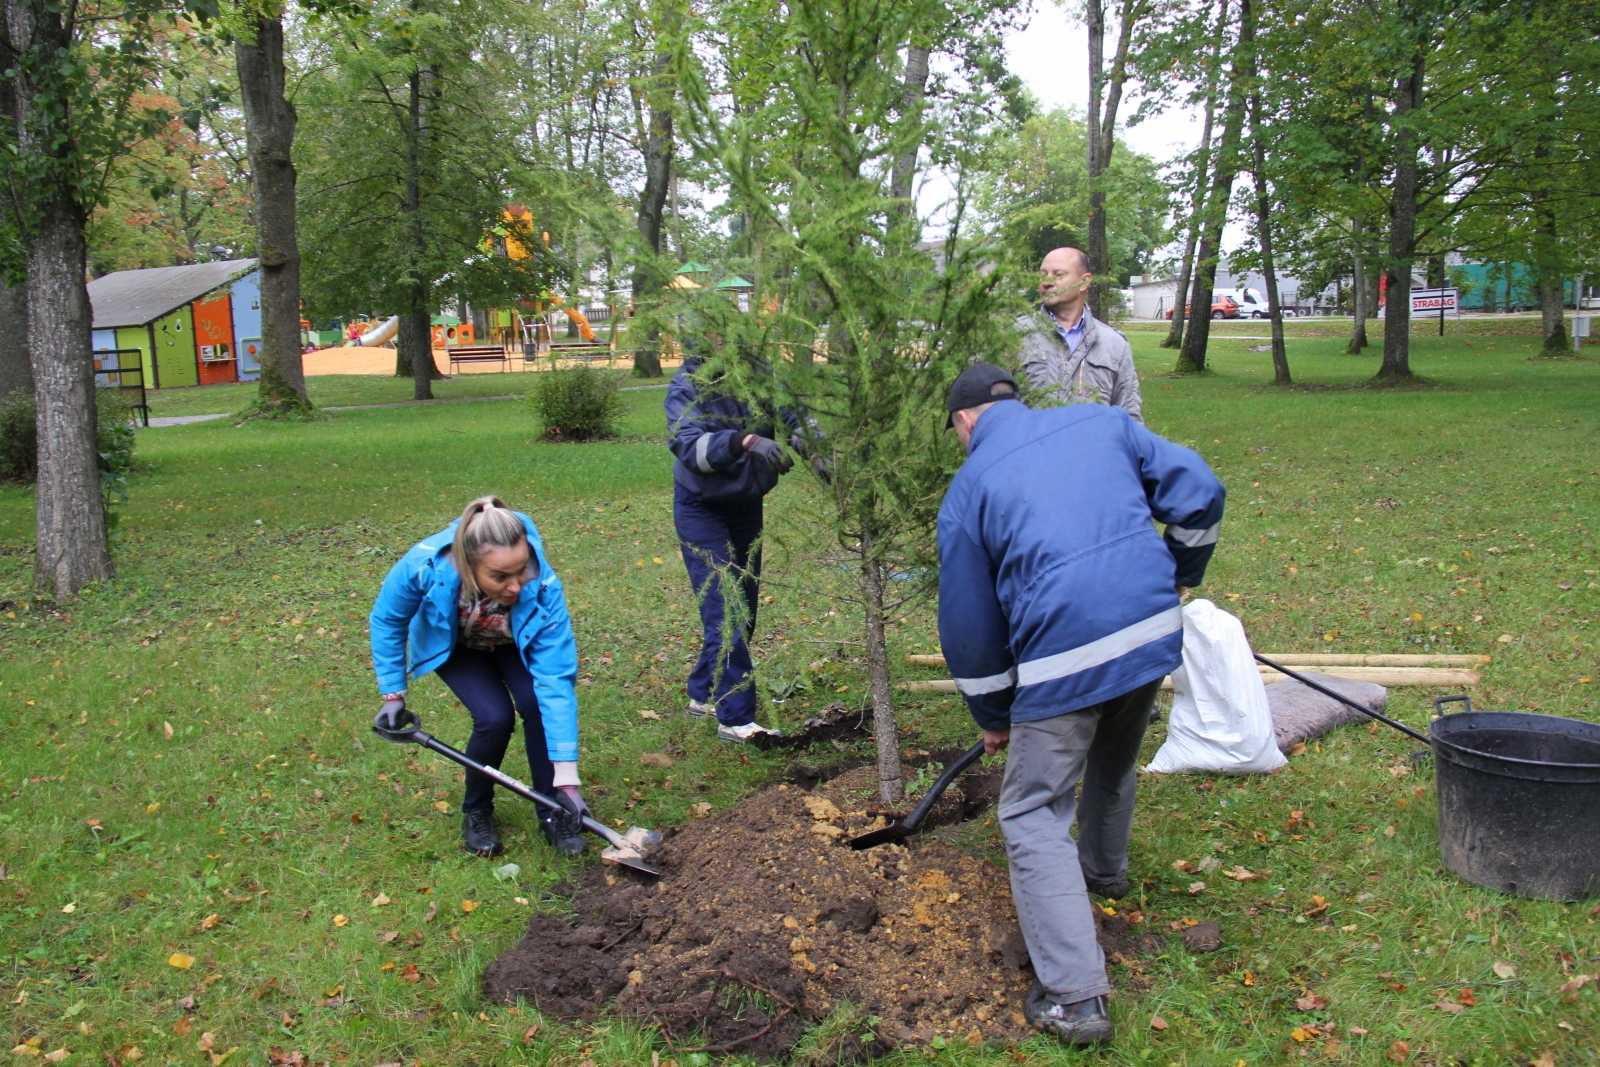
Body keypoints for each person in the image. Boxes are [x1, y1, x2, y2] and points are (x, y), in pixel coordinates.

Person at [937, 363, 1224, 1046]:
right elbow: (1202, 492)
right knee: (1114, 755)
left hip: (1064, 655)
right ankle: (1103, 872)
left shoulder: (969, 487)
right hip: (1152, 636)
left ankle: (1074, 995)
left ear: (967, 420)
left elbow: (970, 624)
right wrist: (1179, 575)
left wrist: (993, 713)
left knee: (1032, 811)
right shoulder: (1104, 422)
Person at [370, 496, 587, 858]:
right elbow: (388, 619)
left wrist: (569, 780)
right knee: (493, 717)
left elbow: (556, 680)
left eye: (520, 571)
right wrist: (393, 694)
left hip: (513, 641)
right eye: (500, 577)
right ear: (469, 565)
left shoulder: (543, 586)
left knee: (535, 702)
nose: (515, 586)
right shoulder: (423, 565)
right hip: (457, 645)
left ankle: (553, 810)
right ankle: (477, 811)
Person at [664, 348, 807, 743]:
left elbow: (791, 413)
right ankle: (736, 717)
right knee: (725, 606)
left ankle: (702, 693)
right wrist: (744, 441)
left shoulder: (757, 370)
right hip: (700, 507)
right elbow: (690, 448)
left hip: (745, 502)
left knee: (743, 608)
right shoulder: (686, 386)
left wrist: (817, 448)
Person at [1015, 247, 1143, 422]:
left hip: (1093, 448)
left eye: (1058, 275)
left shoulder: (1114, 345)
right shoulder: (1016, 335)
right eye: (1043, 274)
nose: (1047, 282)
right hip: (1032, 447)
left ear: (1084, 282)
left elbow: (1130, 417)